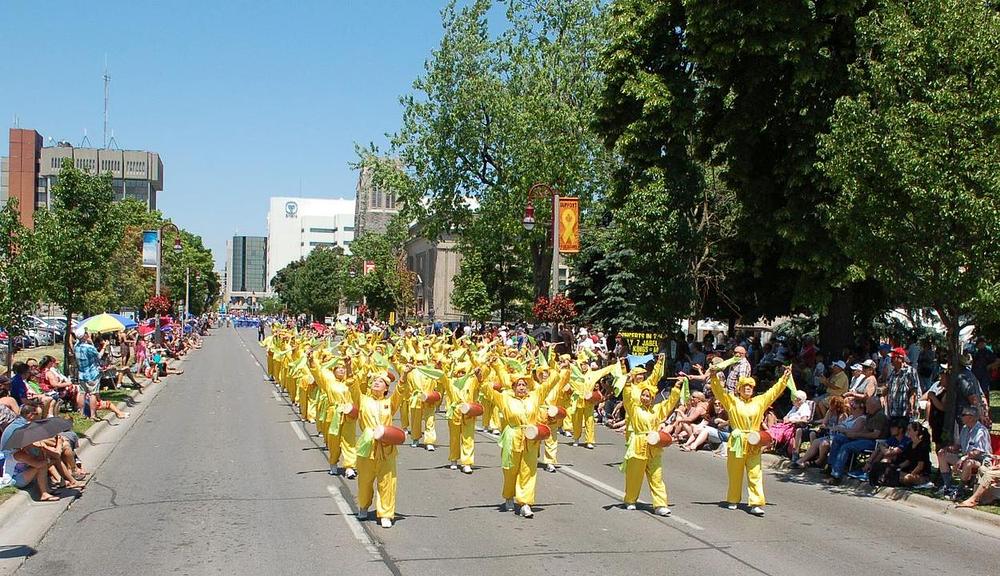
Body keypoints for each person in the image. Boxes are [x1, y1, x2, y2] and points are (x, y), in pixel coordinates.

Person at [480, 356, 569, 519]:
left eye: (524, 384)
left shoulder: (535, 396)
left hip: (531, 438)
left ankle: (525, 503)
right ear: (513, 387)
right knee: (510, 470)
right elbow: (487, 391)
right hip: (512, 437)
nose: (522, 387)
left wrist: (559, 367)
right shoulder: (504, 398)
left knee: (528, 470)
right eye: (518, 385)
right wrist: (481, 378)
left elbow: (551, 382)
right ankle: (508, 496)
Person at [708, 364, 795, 516]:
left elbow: (774, 391)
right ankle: (733, 499)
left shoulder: (760, 401)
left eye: (750, 386)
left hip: (754, 441)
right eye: (745, 386)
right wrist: (714, 377)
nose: (748, 388)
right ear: (739, 389)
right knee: (735, 471)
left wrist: (785, 377)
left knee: (755, 472)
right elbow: (719, 392)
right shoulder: (732, 401)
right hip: (737, 440)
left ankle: (756, 502)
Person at [619, 355, 678, 516]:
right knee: (634, 475)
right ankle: (630, 500)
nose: (645, 398)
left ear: (652, 398)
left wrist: (677, 388)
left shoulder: (657, 409)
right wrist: (628, 382)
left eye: (648, 396)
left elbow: (669, 404)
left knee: (656, 476)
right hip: (637, 443)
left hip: (654, 445)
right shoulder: (634, 409)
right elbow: (627, 398)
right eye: (643, 395)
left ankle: (660, 505)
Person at [355, 369, 404, 528]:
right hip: (367, 446)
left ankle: (386, 514)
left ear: (386, 388)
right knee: (365, 480)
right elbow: (354, 388)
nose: (376, 383)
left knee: (387, 482)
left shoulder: (389, 403)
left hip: (386, 447)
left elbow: (400, 393)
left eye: (380, 381)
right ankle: (363, 506)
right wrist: (350, 368)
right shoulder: (363, 400)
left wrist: (404, 375)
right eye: (374, 380)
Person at [827, 396, 888, 485]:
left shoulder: (880, 416)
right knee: (838, 439)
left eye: (867, 405)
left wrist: (856, 435)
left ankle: (836, 475)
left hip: (873, 442)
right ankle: (831, 466)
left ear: (873, 405)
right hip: (863, 438)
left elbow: (875, 434)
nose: (866, 408)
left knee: (846, 447)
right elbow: (866, 430)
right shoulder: (871, 415)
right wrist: (852, 434)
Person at [936, 406, 992, 499]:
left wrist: (963, 458)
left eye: (963, 415)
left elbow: (977, 452)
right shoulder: (965, 428)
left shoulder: (981, 431)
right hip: (967, 456)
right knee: (942, 455)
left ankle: (960, 490)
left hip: (981, 460)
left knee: (967, 463)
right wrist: (947, 449)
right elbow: (958, 446)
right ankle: (948, 486)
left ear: (971, 417)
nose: (960, 417)